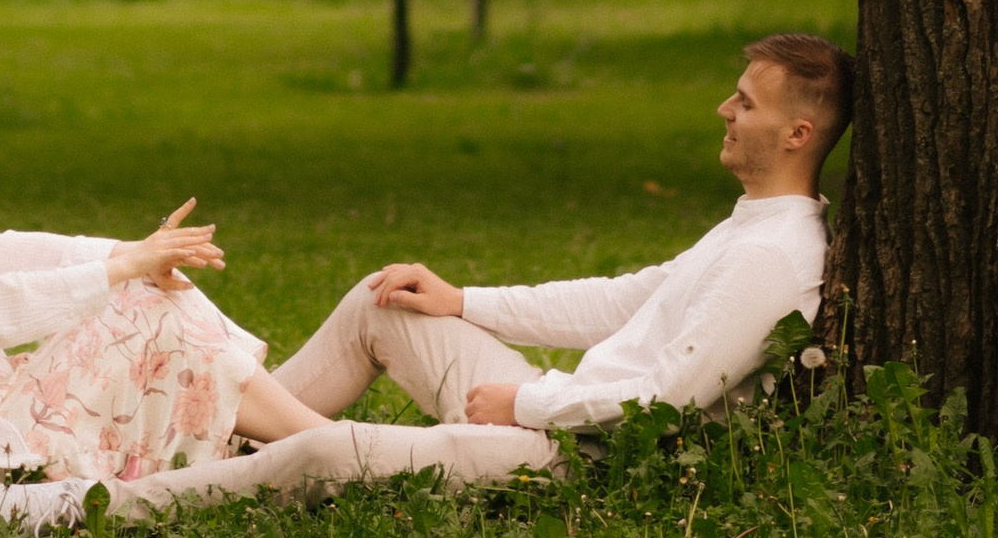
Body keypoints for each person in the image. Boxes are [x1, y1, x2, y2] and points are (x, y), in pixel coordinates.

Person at [0, 49, 332, 499]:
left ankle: (320, 442)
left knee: (147, 297)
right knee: (147, 309)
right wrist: (124, 267)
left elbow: (1, 254)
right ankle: (336, 446)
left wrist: (134, 251)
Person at [275, 32, 851, 438]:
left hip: (564, 448)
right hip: (551, 412)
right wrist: (461, 301)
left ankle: (201, 458)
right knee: (381, 302)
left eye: (746, 104)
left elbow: (671, 398)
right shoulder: (750, 227)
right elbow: (619, 301)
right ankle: (217, 427)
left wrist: (526, 404)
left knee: (325, 447)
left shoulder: (770, 256)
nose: (724, 109)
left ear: (796, 134)